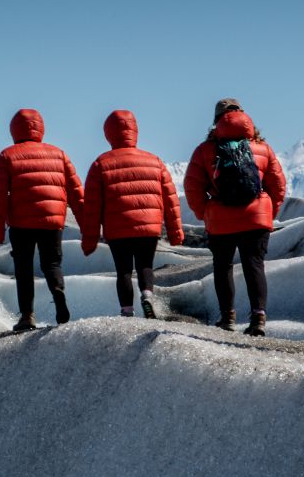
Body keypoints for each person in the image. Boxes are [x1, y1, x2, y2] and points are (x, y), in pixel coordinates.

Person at [183, 98, 287, 337]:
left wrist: (205, 213)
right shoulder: (262, 147)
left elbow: (192, 187)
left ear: (216, 121)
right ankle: (258, 316)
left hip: (220, 219)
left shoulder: (205, 150)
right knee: (254, 266)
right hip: (256, 217)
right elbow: (278, 185)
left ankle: (228, 317)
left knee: (223, 267)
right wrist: (268, 212)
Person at [79, 109, 186, 318]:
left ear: (108, 133)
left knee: (124, 271)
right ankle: (147, 295)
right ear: (134, 131)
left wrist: (89, 240)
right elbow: (170, 200)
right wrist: (175, 232)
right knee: (146, 265)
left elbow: (92, 206)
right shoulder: (154, 160)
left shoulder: (101, 163)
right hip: (149, 226)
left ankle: (127, 311)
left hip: (118, 229)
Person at [0, 108, 85, 331]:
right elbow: (77, 193)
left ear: (14, 129)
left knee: (23, 268)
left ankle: (27, 316)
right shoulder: (59, 154)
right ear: (41, 129)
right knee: (52, 263)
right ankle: (58, 292)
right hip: (52, 221)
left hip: (21, 224)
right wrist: (86, 224)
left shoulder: (7, 156)